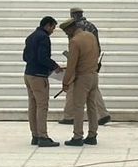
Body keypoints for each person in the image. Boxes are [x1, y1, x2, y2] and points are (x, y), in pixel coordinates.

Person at [59, 8, 111, 126]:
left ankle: (70, 116)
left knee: (76, 92)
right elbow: (97, 45)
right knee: (93, 90)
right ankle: (102, 114)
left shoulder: (74, 29)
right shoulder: (91, 26)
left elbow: (74, 47)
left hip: (81, 64)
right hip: (92, 61)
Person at [60, 18, 101, 146]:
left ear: (71, 29)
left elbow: (72, 65)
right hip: (94, 76)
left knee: (78, 107)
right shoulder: (90, 36)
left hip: (82, 78)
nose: (67, 34)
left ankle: (78, 136)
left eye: (67, 32)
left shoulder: (75, 41)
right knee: (92, 107)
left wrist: (65, 82)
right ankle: (92, 135)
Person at [22, 16, 62, 147]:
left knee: (32, 105)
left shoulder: (31, 36)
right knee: (42, 106)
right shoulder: (44, 38)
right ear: (48, 25)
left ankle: (35, 135)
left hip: (28, 74)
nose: (53, 31)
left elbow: (25, 56)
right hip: (39, 76)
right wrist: (55, 66)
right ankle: (43, 136)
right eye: (53, 27)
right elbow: (43, 57)